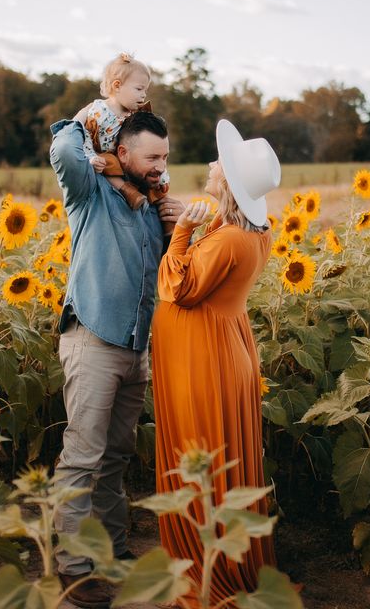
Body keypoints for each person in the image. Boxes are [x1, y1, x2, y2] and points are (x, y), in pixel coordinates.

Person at [49, 108, 185, 609]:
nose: (159, 166)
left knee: (115, 457)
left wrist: (177, 222)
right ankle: (75, 570)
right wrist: (85, 118)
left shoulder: (151, 204)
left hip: (135, 349)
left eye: (165, 158)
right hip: (93, 341)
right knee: (82, 457)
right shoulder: (92, 194)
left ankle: (113, 550)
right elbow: (64, 153)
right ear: (121, 153)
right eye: (151, 157)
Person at [150, 119, 282, 604]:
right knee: (224, 458)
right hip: (223, 350)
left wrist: (182, 231)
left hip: (203, 361)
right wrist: (196, 221)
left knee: (200, 457)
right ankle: (227, 560)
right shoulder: (248, 231)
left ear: (226, 181)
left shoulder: (225, 239)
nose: (210, 164)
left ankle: (209, 571)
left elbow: (178, 288)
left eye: (219, 163)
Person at [73, 53, 172, 225]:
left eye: (145, 90)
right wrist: (91, 158)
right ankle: (128, 192)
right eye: (139, 89)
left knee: (153, 171)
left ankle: (163, 209)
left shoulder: (132, 114)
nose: (143, 95)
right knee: (110, 164)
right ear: (117, 86)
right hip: (105, 156)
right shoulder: (99, 111)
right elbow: (82, 134)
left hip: (127, 157)